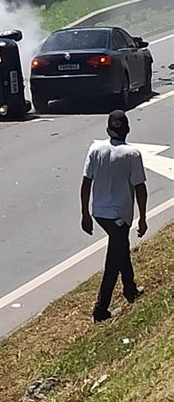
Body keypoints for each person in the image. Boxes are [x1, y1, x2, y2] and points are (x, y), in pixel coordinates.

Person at [81, 110, 147, 323]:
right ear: (127, 130)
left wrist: (85, 214)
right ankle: (100, 309)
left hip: (99, 212)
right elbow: (140, 188)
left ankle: (130, 288)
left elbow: (86, 183)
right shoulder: (132, 154)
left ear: (108, 130)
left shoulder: (95, 149)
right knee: (113, 260)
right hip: (119, 214)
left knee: (120, 249)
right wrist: (143, 218)